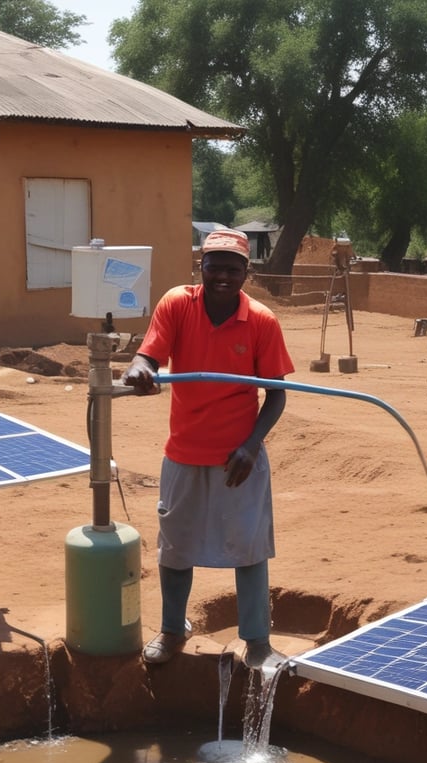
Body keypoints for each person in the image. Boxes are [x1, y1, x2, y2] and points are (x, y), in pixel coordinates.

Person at [121, 229, 295, 669]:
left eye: (232, 269)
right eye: (214, 266)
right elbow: (149, 355)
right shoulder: (178, 304)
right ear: (201, 266)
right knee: (175, 547)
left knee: (249, 548)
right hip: (183, 453)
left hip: (239, 459)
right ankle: (172, 629)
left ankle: (257, 641)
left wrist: (252, 446)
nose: (222, 275)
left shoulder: (261, 321)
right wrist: (139, 368)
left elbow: (276, 393)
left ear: (246, 273)